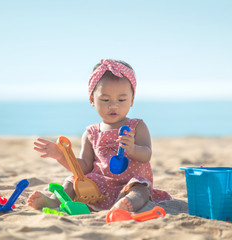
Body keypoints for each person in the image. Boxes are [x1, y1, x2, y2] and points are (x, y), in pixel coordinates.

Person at [27, 59, 172, 212]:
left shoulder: (136, 127)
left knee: (140, 191)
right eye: (105, 99)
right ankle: (53, 202)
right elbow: (84, 167)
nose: (113, 105)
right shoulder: (91, 133)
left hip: (129, 183)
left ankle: (125, 205)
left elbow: (147, 155)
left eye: (122, 99)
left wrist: (132, 149)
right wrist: (61, 156)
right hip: (97, 188)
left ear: (132, 100)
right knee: (71, 182)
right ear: (92, 100)